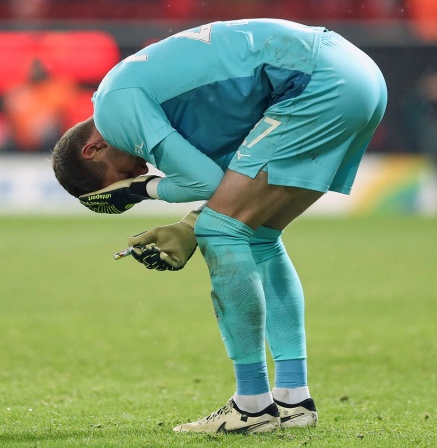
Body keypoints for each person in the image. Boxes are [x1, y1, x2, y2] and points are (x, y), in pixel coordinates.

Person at [52, 18, 387, 433]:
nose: (141, 168)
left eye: (126, 172)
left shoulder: (114, 109)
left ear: (94, 147)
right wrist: (188, 223)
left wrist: (140, 192)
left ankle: (250, 406)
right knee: (260, 236)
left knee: (220, 232)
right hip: (357, 74)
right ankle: (292, 398)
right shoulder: (171, 102)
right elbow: (231, 191)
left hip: (318, 81)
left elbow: (206, 184)